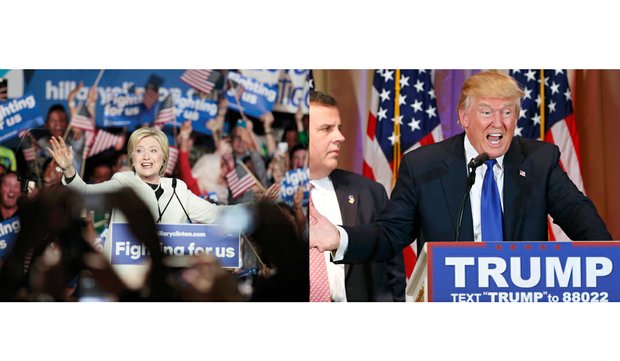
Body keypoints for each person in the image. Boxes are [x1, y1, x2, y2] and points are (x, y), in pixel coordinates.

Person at [309, 71, 612, 266]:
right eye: (486, 112)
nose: (498, 122)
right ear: (464, 117)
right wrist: (339, 238)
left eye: (507, 112)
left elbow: (582, 219)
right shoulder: (423, 165)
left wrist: (610, 262)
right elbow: (390, 234)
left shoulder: (540, 160)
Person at [48, 127, 278, 289]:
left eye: (153, 150)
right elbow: (87, 193)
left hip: (166, 282)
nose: (146, 156)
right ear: (132, 157)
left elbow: (216, 214)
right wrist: (69, 170)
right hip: (126, 281)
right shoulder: (123, 181)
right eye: (139, 150)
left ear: (164, 157)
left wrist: (258, 206)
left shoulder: (177, 187)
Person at [309, 91, 405, 302]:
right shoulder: (274, 197)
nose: (340, 137)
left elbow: (394, 273)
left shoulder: (369, 193)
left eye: (339, 128)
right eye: (326, 129)